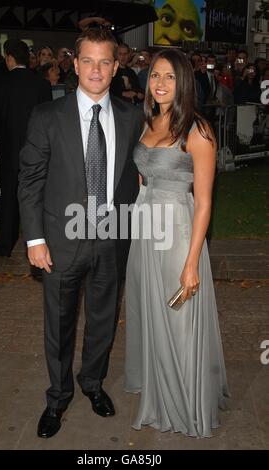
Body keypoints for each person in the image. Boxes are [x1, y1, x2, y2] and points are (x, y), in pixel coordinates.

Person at [18, 28, 143, 439]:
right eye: (87, 60)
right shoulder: (46, 116)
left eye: (104, 61)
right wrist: (34, 239)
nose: (95, 69)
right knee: (59, 323)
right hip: (59, 241)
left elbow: (139, 175)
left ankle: (92, 383)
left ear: (115, 66)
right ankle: (57, 397)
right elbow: (30, 181)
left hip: (112, 236)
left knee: (103, 321)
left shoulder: (131, 116)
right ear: (74, 65)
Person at [125, 48, 229, 438]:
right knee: (151, 311)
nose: (161, 83)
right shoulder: (148, 120)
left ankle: (185, 400)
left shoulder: (198, 131)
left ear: (183, 81)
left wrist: (191, 262)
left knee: (179, 318)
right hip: (145, 228)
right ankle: (158, 386)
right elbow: (143, 176)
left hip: (178, 233)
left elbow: (203, 202)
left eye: (169, 76)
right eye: (155, 75)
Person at [0, 39, 52, 258]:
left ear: (9, 57)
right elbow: (48, 122)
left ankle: (5, 244)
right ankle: (37, 243)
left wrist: (5, 139)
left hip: (9, 150)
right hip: (38, 153)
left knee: (8, 199)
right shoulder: (42, 85)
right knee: (37, 199)